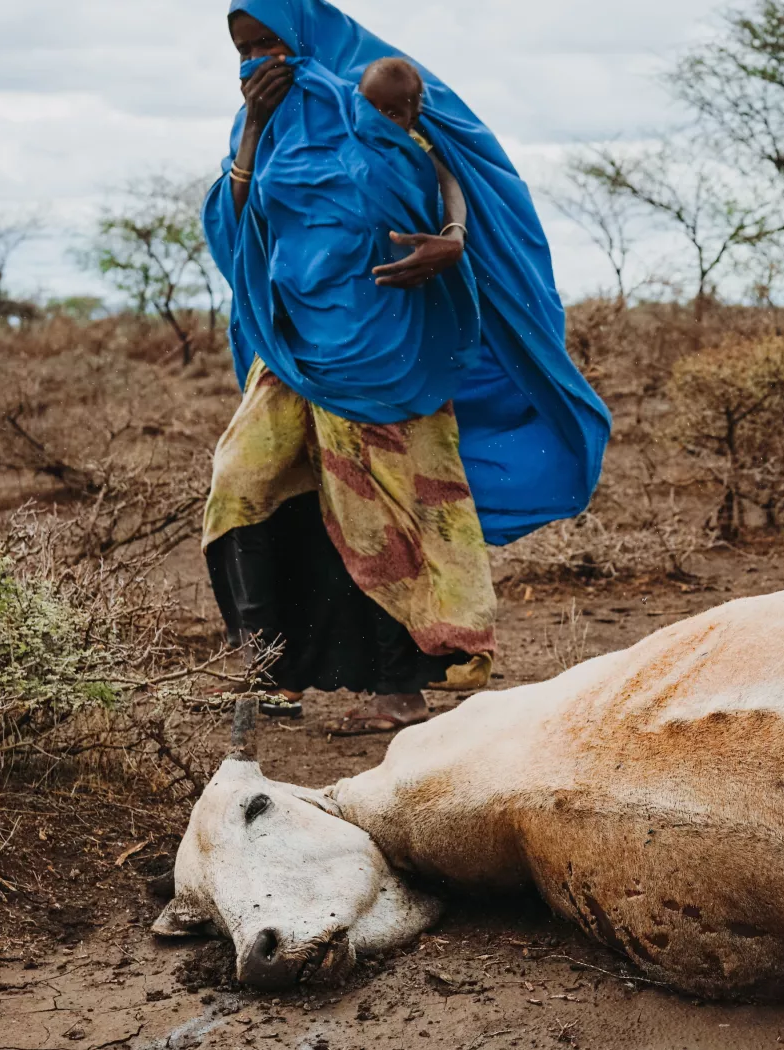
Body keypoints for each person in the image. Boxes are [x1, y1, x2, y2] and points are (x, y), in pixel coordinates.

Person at [204, 0, 611, 736]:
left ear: (301, 32)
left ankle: (400, 690)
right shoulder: (259, 120)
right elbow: (236, 218)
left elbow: (449, 169)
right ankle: (269, 672)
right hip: (295, 338)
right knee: (243, 480)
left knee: (384, 508)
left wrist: (453, 237)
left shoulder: (375, 87)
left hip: (384, 337)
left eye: (269, 42)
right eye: (244, 50)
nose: (259, 61)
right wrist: (257, 127)